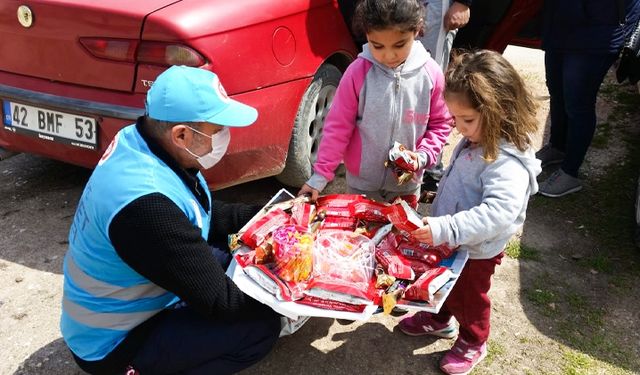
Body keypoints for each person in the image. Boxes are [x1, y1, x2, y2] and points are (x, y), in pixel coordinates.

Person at [60, 65, 280, 375]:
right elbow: (223, 301)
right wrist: (297, 294)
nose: (225, 137)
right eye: (218, 130)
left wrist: (274, 216)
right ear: (181, 134)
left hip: (125, 303)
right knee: (259, 328)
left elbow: (200, 214)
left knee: (241, 259)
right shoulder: (146, 207)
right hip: (113, 343)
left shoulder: (143, 141)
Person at [398, 50, 541, 375]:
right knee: (444, 283)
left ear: (499, 110)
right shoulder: (480, 138)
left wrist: (445, 226)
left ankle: (474, 340)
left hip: (477, 251)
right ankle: (438, 319)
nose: (458, 128)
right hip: (454, 239)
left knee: (469, 296)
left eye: (466, 120)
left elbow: (496, 214)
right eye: (455, 119)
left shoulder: (507, 164)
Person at [299, 0, 452, 205]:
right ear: (366, 35)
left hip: (407, 185)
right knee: (361, 235)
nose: (388, 55)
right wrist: (320, 176)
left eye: (399, 45)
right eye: (377, 46)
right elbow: (338, 127)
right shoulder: (357, 72)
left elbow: (441, 124)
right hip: (361, 184)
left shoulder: (431, 74)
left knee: (401, 236)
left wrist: (423, 156)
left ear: (416, 30)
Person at [536, 0, 640, 197]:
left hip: (599, 29)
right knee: (557, 90)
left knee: (578, 102)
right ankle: (557, 146)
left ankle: (570, 172)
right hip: (561, 24)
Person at [419, 0, 472, 196]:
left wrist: (463, 2)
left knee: (430, 82)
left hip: (432, 7)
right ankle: (397, 160)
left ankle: (430, 170)